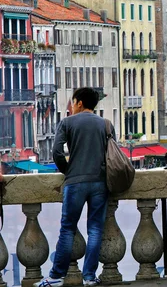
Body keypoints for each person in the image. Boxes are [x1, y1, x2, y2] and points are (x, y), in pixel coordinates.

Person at [35, 88, 113, 287]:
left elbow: (57, 153)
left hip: (75, 182)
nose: (71, 106)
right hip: (99, 182)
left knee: (68, 229)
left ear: (79, 103)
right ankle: (89, 277)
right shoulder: (106, 124)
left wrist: (68, 171)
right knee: (95, 229)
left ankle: (56, 276)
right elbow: (112, 154)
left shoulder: (67, 122)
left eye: (72, 102)